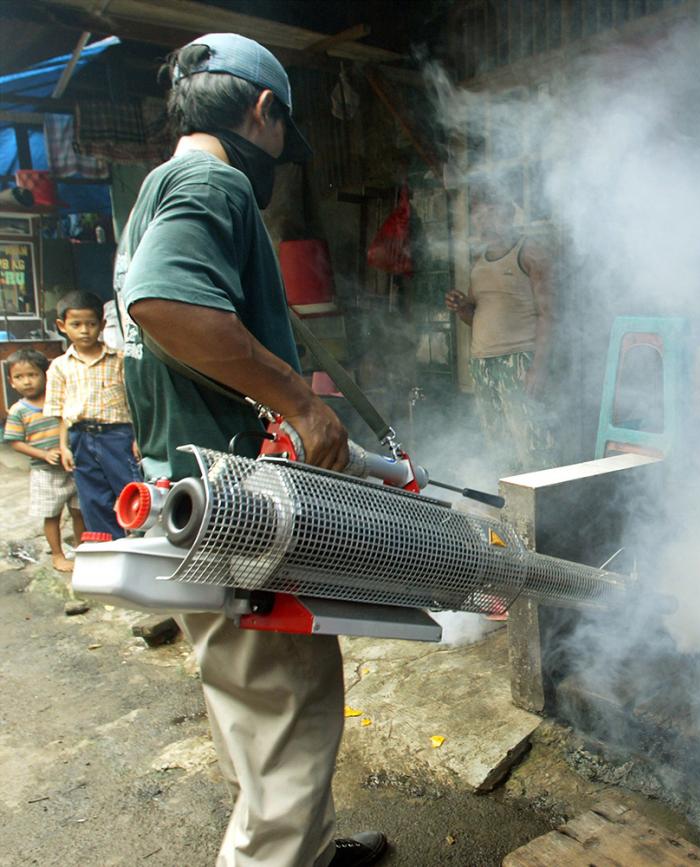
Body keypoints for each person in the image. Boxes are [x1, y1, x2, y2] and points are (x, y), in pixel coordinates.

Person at [115, 33, 385, 867]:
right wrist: (302, 404)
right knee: (293, 711)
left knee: (255, 709)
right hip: (235, 512)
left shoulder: (158, 186)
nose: (277, 158)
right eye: (281, 136)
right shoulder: (212, 179)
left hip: (191, 489)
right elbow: (165, 303)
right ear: (263, 111)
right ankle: (277, 851)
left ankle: (301, 845)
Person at [444, 189, 557, 473]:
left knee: (533, 442)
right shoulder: (479, 264)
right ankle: (512, 511)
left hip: (519, 360)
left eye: (489, 213)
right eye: (477, 215)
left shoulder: (530, 254)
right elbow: (477, 316)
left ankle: (548, 510)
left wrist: (538, 368)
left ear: (507, 214)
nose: (482, 222)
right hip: (483, 364)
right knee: (498, 445)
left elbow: (548, 315)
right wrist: (461, 308)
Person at [44, 290, 139, 540]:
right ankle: (110, 548)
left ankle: (144, 543)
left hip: (117, 437)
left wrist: (137, 437)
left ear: (102, 325)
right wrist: (63, 446)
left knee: (134, 491)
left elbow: (134, 403)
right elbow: (60, 412)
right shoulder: (59, 367)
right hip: (80, 438)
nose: (84, 330)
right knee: (93, 497)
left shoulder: (118, 360)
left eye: (91, 324)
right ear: (62, 326)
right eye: (76, 324)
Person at [4, 349, 85, 572]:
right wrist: (44, 455)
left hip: (72, 467)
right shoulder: (19, 411)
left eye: (32, 374)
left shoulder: (58, 402)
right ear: (11, 382)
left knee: (79, 511)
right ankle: (57, 555)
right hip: (45, 472)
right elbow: (15, 442)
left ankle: (82, 549)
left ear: (45, 375)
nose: (27, 381)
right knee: (52, 515)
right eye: (19, 377)